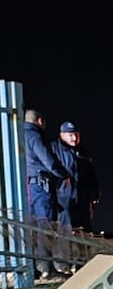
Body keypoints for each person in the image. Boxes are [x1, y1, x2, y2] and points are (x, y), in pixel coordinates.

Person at [22, 109, 70, 279]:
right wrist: (64, 175)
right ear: (40, 121)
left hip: (27, 187)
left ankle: (33, 267)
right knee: (45, 227)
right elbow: (48, 160)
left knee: (32, 228)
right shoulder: (35, 136)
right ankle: (47, 269)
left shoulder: (18, 134)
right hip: (40, 187)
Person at [51, 121, 102, 270]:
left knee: (85, 232)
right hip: (64, 199)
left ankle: (83, 264)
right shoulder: (54, 150)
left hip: (82, 198)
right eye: (70, 135)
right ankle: (64, 266)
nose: (74, 138)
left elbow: (91, 174)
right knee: (64, 232)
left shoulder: (82, 151)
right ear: (62, 135)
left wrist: (95, 192)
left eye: (76, 134)